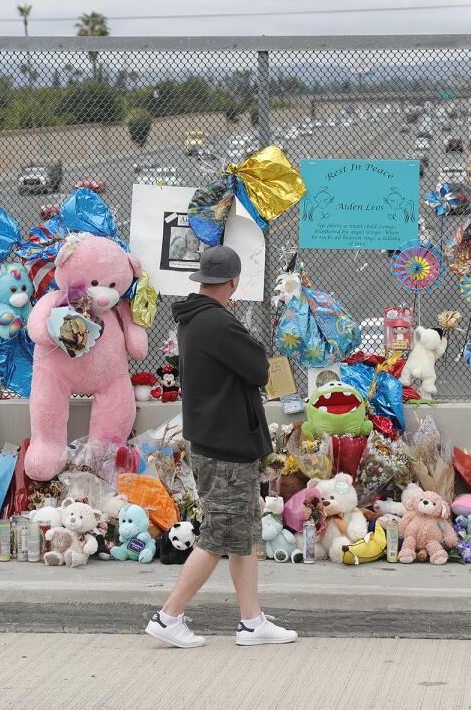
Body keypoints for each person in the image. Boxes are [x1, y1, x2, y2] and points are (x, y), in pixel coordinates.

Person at [145, 245, 298, 649]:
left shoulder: (192, 320)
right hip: (226, 446)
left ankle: (252, 621)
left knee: (243, 534)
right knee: (218, 536)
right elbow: (260, 369)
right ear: (233, 282)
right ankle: (168, 616)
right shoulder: (220, 325)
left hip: (215, 441)